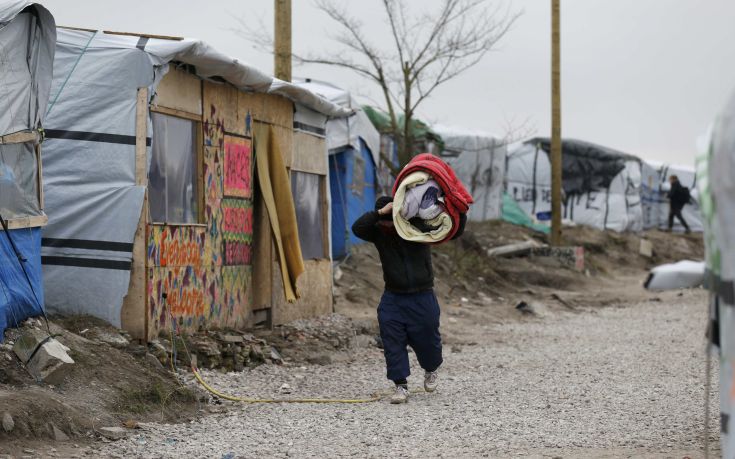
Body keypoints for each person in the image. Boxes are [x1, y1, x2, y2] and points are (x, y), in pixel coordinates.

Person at [352, 196, 466, 404]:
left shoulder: (418, 227)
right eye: (384, 220)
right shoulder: (378, 233)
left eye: (391, 218)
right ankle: (400, 385)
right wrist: (379, 213)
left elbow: (453, 230)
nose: (387, 225)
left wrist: (461, 211)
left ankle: (430, 369)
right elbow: (357, 228)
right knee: (392, 339)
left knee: (428, 341)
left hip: (422, 296)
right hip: (393, 297)